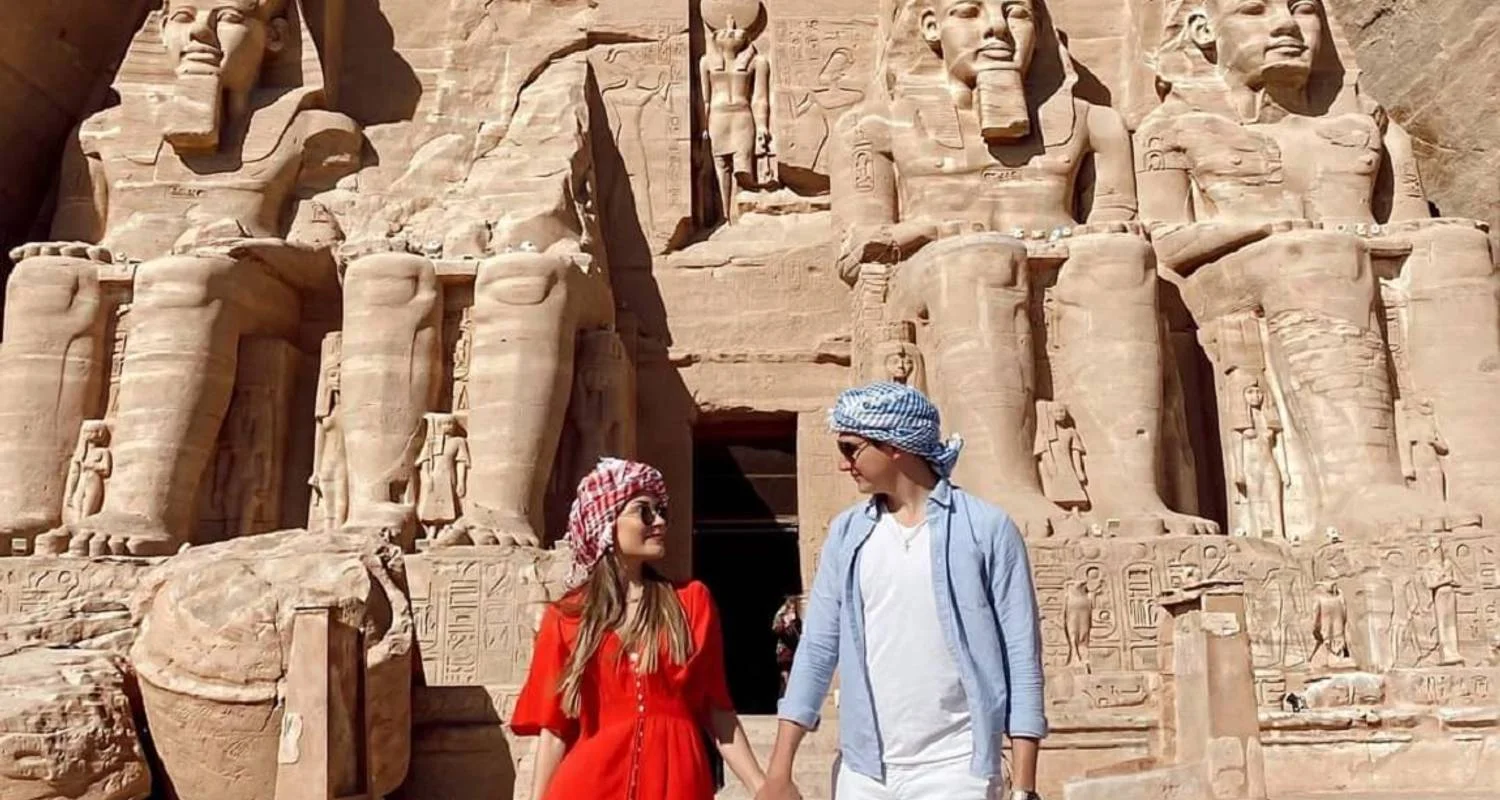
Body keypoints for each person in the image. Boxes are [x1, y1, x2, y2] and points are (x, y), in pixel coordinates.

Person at [757, 382, 1047, 800]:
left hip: (957, 769)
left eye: (850, 449)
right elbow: (817, 648)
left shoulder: (986, 529)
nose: (843, 464)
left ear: (894, 446)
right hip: (864, 771)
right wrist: (779, 772)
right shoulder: (847, 534)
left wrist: (1023, 787)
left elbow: (1021, 656)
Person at [511, 458, 767, 799]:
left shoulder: (691, 603)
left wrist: (762, 786)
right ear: (606, 523)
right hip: (588, 784)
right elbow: (555, 730)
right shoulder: (566, 617)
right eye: (644, 511)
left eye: (661, 511)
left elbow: (717, 710)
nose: (659, 521)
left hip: (677, 780)